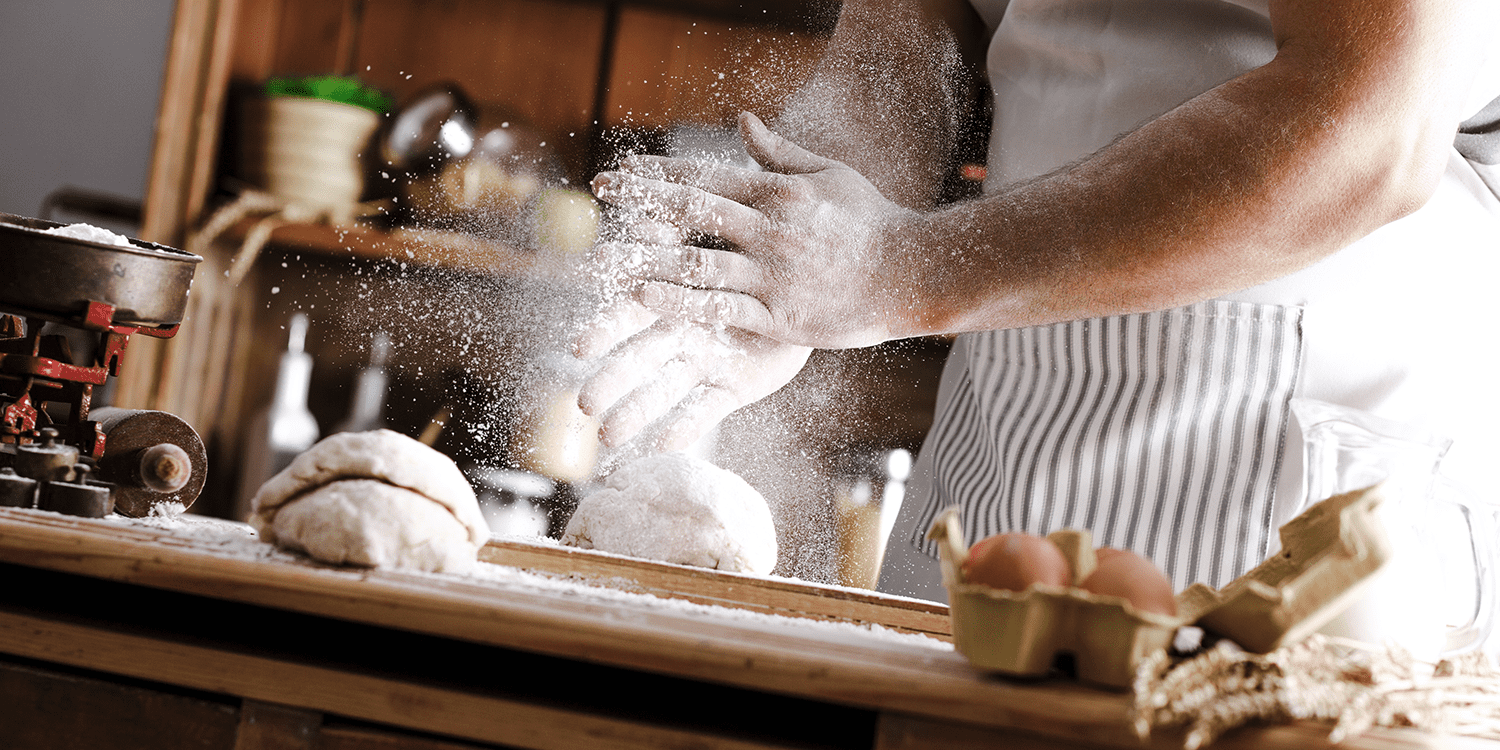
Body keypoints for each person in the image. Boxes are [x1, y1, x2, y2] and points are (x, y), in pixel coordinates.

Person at [574, 0, 1500, 623]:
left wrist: (893, 268)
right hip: (997, 445)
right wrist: (781, 254)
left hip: (1284, 468)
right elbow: (903, 42)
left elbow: (1373, 124)